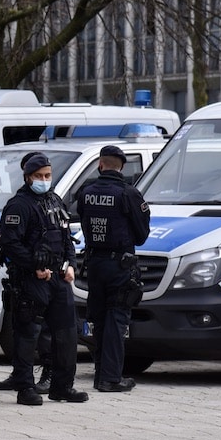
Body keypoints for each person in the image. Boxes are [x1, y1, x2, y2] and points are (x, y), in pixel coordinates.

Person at [0, 153, 88, 405]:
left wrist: (71, 265)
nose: (44, 180)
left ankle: (63, 387)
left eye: (47, 176)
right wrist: (34, 266)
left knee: (67, 335)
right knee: (28, 336)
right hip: (32, 280)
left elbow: (66, 236)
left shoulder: (55, 201)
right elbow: (10, 243)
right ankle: (25, 387)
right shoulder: (19, 205)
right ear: (27, 177)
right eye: (38, 176)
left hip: (59, 277)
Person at [77, 144, 151, 392]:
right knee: (117, 320)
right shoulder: (129, 194)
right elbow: (141, 236)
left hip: (94, 264)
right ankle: (110, 378)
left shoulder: (86, 192)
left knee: (98, 320)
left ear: (100, 164)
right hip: (119, 265)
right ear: (122, 167)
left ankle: (100, 374)